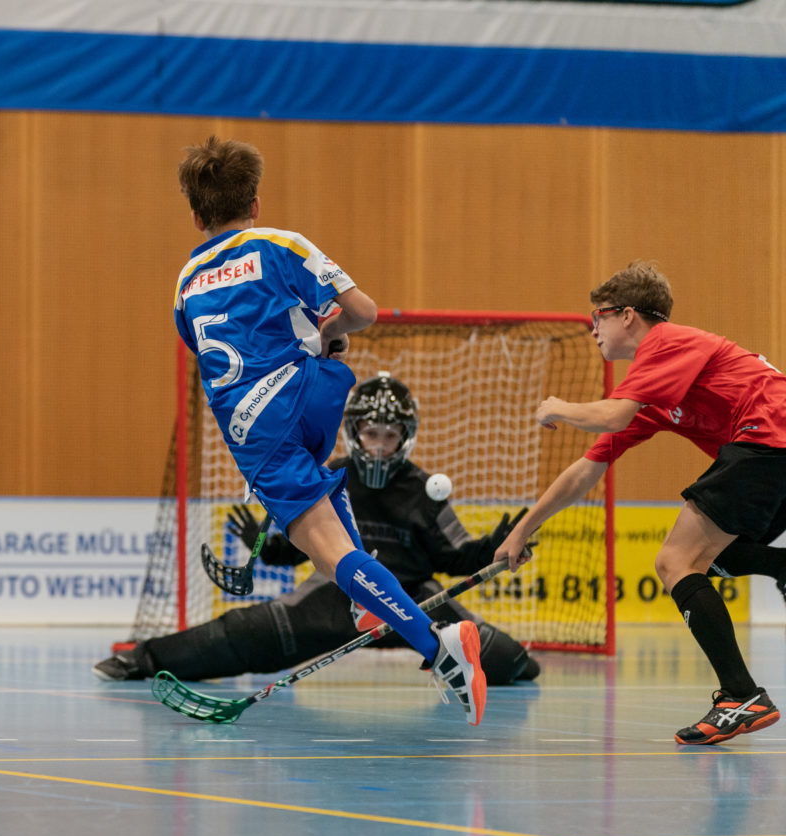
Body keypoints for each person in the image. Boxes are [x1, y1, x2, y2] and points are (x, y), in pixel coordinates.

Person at [166, 137, 488, 725]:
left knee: (330, 554)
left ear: (195, 215)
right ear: (255, 204)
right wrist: (322, 335)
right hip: (315, 390)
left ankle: (441, 647)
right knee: (327, 534)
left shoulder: (186, 279)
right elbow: (361, 311)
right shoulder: (279, 243)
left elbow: (207, 351)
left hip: (256, 428)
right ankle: (369, 607)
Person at [495, 260, 786, 745]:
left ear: (628, 315)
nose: (593, 332)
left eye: (597, 319)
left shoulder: (667, 342)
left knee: (675, 561)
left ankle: (741, 696)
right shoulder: (653, 388)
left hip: (767, 438)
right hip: (772, 448)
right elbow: (586, 470)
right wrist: (522, 528)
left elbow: (609, 416)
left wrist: (557, 407)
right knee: (713, 556)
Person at [94, 373, 541, 686]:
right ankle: (143, 659)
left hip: (413, 602)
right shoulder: (329, 476)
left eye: (390, 436)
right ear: (353, 433)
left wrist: (491, 548)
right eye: (372, 435)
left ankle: (480, 660)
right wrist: (267, 547)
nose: (380, 447)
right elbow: (298, 549)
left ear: (405, 436)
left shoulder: (426, 489)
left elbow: (452, 557)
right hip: (331, 599)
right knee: (243, 632)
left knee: (513, 662)